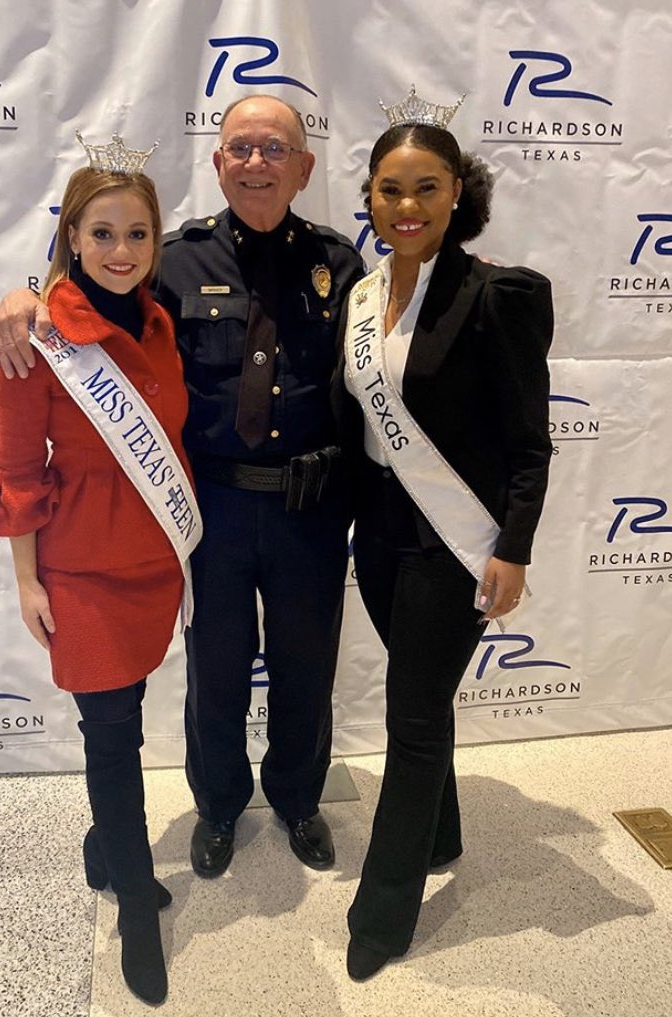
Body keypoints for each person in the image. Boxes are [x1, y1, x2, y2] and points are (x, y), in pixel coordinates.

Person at [0, 95, 365, 879]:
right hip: (210, 509)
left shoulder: (343, 261)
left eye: (275, 149)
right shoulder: (174, 259)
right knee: (217, 668)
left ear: (305, 166)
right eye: (241, 148)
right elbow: (95, 308)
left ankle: (298, 797)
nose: (256, 162)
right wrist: (22, 295)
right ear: (219, 162)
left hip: (310, 507)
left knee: (306, 666)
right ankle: (220, 804)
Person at [335, 89, 553, 979]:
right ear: (371, 198)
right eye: (391, 189)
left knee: (413, 717)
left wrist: (514, 547)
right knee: (421, 694)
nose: (409, 207)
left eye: (427, 187)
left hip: (453, 542)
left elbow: (529, 441)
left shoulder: (500, 294)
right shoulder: (358, 295)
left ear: (458, 191)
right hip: (379, 536)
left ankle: (383, 913)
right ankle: (443, 832)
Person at [0, 136, 200, 1006]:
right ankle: (137, 914)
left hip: (155, 565)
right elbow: (18, 469)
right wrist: (27, 580)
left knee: (132, 717)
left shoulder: (159, 321)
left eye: (138, 235)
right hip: (79, 574)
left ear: (157, 242)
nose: (121, 252)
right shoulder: (35, 335)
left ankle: (103, 849)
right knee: (110, 740)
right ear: (72, 236)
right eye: (103, 233)